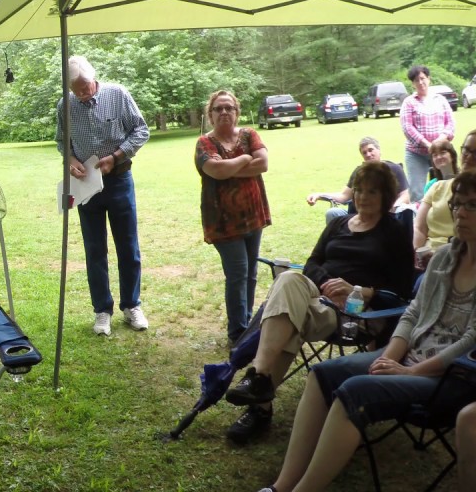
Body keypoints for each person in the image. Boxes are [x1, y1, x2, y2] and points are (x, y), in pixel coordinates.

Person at [254, 171, 476, 492]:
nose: (461, 213)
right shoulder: (444, 258)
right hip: (406, 356)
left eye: (472, 205)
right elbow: (413, 312)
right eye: (457, 205)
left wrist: (410, 371)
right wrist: (387, 356)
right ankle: (282, 485)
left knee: (356, 391)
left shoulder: (393, 235)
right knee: (322, 373)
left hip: (450, 377)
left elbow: (471, 341)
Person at [223, 161, 415, 444]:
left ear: (385, 195)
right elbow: (313, 262)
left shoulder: (394, 232)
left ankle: (259, 405)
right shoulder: (339, 223)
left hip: (358, 315)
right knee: (288, 279)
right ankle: (260, 376)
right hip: (319, 298)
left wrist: (359, 290)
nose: (362, 197)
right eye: (359, 190)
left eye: (371, 192)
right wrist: (327, 283)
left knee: (290, 319)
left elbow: (402, 288)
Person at [56, 54, 151, 336]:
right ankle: (102, 310)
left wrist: (116, 156)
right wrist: (71, 160)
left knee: (128, 247)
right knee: (94, 249)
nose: (83, 93)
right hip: (87, 186)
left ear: (94, 79)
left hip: (119, 178)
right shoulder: (66, 105)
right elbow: (63, 141)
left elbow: (141, 130)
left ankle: (132, 305)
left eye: (86, 86)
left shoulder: (118, 94)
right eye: (76, 89)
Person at [195, 90, 270, 343]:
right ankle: (237, 332)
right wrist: (246, 157)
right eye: (218, 109)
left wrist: (231, 167)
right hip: (223, 222)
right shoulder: (205, 143)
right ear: (211, 114)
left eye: (229, 108)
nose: (224, 112)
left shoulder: (249, 134)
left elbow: (263, 164)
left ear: (237, 112)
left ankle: (246, 323)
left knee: (251, 273)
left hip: (253, 216)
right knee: (238, 272)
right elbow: (215, 169)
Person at [304, 136, 408, 224]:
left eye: (371, 150)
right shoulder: (359, 172)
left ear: (379, 150)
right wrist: (319, 195)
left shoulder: (394, 169)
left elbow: (406, 194)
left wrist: (393, 207)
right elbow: (343, 196)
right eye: (364, 153)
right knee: (332, 213)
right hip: (356, 216)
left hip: (385, 215)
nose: (368, 154)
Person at [415, 131, 474, 270]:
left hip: (457, 259)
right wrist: (416, 252)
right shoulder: (437, 186)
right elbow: (419, 226)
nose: (468, 157)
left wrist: (439, 255)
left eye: (475, 153)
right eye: (466, 150)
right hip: (428, 255)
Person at [401, 64, 455, 202]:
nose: (420, 82)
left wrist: (439, 142)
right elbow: (407, 127)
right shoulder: (409, 102)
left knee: (450, 184)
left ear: (428, 79)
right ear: (412, 84)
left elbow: (450, 123)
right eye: (416, 80)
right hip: (416, 153)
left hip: (441, 151)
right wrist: (427, 144)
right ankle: (419, 219)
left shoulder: (440, 100)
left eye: (422, 78)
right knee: (417, 191)